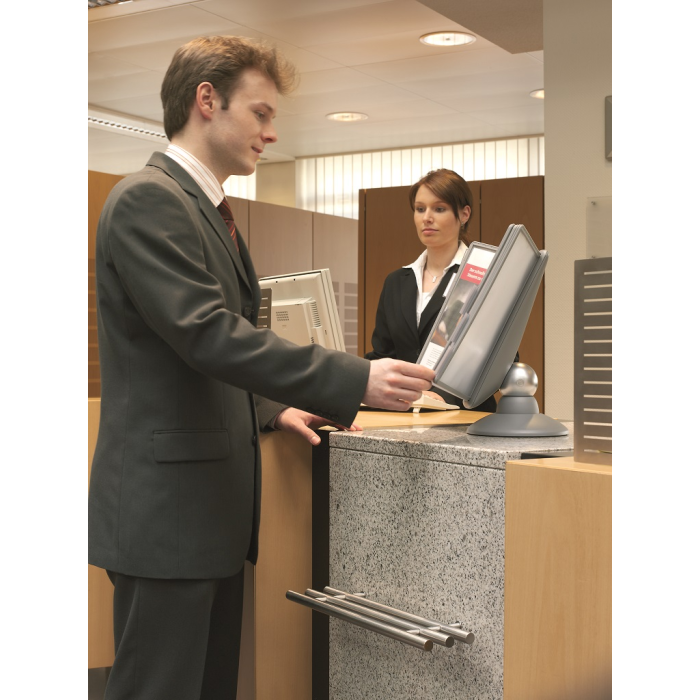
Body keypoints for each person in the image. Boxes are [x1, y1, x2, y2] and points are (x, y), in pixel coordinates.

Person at [88, 35, 434, 700]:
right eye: (262, 113)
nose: (272, 133)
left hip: (204, 519)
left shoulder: (206, 208)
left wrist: (272, 408)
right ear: (207, 101)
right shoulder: (147, 200)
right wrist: (354, 378)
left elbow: (198, 355)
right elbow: (208, 334)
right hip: (166, 518)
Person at [365, 168, 497, 412]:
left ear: (464, 214)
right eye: (420, 209)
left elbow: (497, 358)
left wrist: (443, 397)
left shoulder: (484, 275)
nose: (427, 217)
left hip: (466, 417)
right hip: (404, 414)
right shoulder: (396, 282)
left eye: (439, 209)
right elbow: (383, 355)